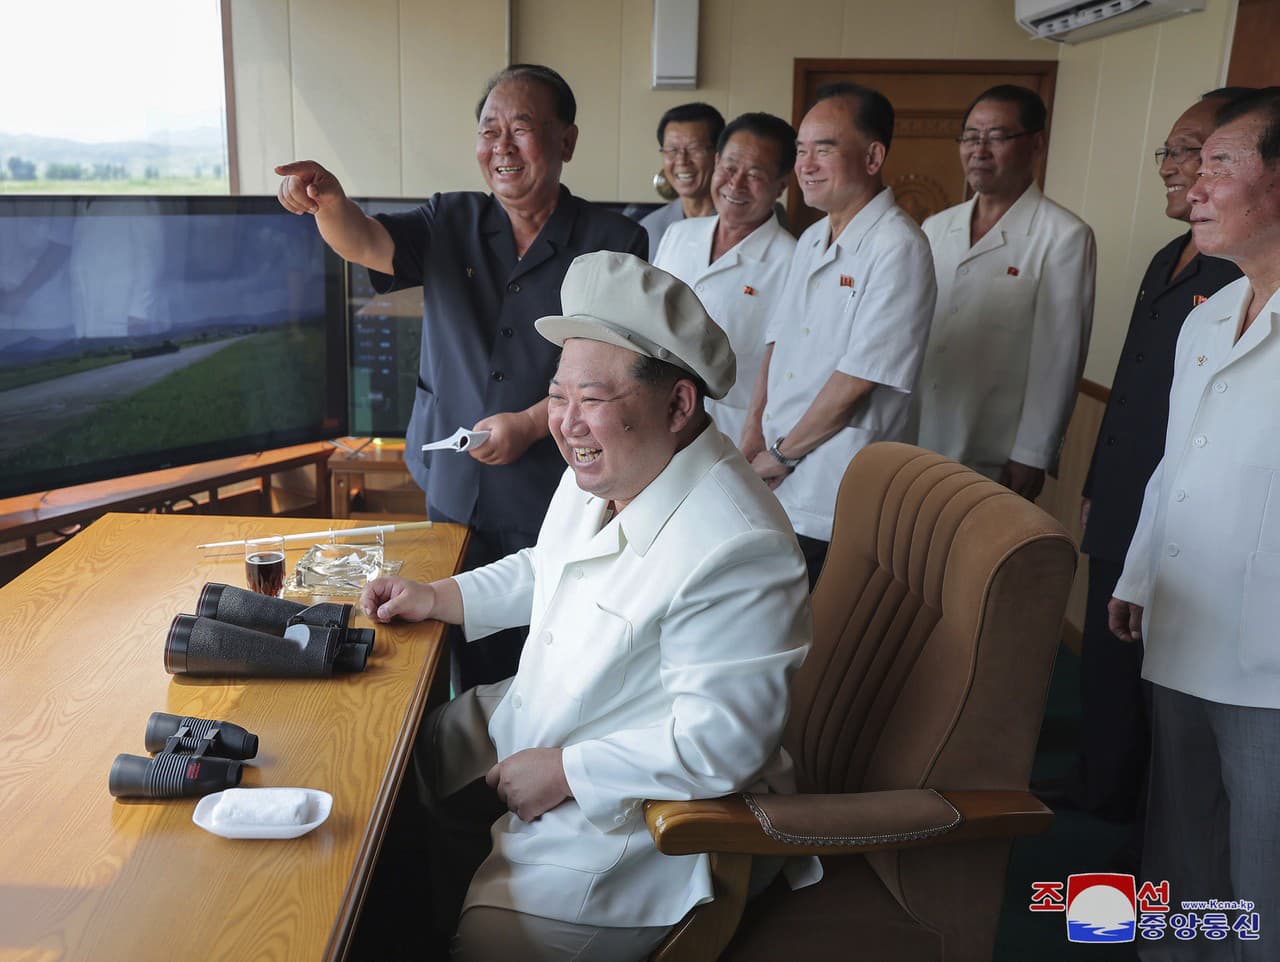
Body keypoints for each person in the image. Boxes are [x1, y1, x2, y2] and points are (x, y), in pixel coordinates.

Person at [360, 251, 814, 962]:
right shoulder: (607, 466)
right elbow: (553, 567)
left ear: (678, 404)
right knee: (385, 766)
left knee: (484, 945)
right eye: (557, 394)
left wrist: (571, 771)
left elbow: (721, 739)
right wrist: (441, 595)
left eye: (592, 399)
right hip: (551, 709)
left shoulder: (737, 544)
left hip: (642, 820)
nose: (566, 423)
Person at [276, 64, 646, 689]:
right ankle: (450, 762)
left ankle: (519, 762)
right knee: (435, 640)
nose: (501, 146)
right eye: (488, 130)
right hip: (453, 481)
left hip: (557, 483)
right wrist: (330, 204)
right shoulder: (452, 217)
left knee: (541, 644)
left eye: (522, 129)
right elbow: (366, 242)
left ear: (567, 142)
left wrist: (532, 423)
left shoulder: (613, 240)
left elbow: (614, 362)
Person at [1110, 87, 1280, 960]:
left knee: (1264, 869)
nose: (1194, 186)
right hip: (1185, 627)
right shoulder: (1208, 314)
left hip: (1270, 661)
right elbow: (1176, 462)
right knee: (1180, 851)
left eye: (1219, 165)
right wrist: (1139, 575)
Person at [1064, 90, 1247, 830]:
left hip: (1183, 510)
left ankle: (1130, 805)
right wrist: (1094, 481)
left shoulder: (1236, 275)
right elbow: (1134, 381)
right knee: (1106, 660)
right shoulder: (1165, 258)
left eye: (1200, 155)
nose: (1179, 170)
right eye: (1173, 153)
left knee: (1158, 680)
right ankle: (1098, 787)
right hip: (1128, 492)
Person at [741, 82, 936, 588]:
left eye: (824, 149)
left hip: (833, 480)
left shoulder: (899, 246)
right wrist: (753, 434)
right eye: (801, 150)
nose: (806, 165)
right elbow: (778, 341)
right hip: (777, 467)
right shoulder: (810, 236)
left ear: (873, 156)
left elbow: (858, 380)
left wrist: (780, 455)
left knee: (820, 636)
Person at [912, 85, 1095, 500]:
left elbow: (1059, 355)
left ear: (1036, 144)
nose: (979, 149)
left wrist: (1033, 452)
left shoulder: (1063, 236)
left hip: (992, 446)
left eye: (996, 136)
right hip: (916, 428)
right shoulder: (935, 228)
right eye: (970, 136)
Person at [653, 111, 797, 445]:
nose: (736, 183)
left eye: (755, 174)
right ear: (716, 163)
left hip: (734, 436)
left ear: (782, 184)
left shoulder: (791, 261)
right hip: (658, 423)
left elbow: (786, 370)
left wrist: (757, 437)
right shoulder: (678, 233)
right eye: (729, 167)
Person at [639, 102, 724, 252]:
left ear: (719, 153)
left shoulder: (744, 223)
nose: (682, 160)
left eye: (694, 149)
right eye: (672, 150)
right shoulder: (650, 228)